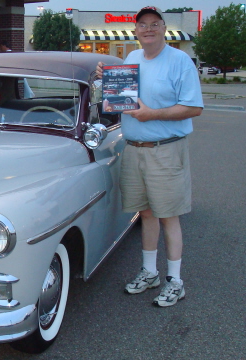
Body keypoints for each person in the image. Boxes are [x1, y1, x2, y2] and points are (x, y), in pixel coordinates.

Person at [96, 6, 203, 307]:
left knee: (169, 215)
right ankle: (149, 272)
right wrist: (107, 78)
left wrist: (152, 115)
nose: (148, 29)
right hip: (134, 150)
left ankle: (175, 281)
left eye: (154, 24)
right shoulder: (131, 59)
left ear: (164, 28)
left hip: (165, 150)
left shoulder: (180, 62)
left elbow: (194, 108)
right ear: (135, 31)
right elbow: (121, 98)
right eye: (142, 24)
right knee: (145, 214)